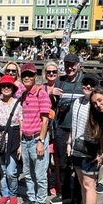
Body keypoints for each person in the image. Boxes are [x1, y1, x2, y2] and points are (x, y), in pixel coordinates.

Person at [15, 62, 51, 204]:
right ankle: (31, 198)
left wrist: (41, 141)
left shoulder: (41, 94)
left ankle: (41, 203)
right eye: (24, 75)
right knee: (28, 172)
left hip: (37, 137)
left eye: (30, 75)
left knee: (40, 173)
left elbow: (45, 121)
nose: (27, 78)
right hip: (25, 139)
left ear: (35, 76)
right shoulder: (23, 94)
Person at [66, 74, 101, 204]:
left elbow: (102, 129)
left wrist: (101, 151)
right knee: (81, 181)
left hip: (90, 147)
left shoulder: (96, 105)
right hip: (76, 146)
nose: (87, 87)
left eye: (91, 84)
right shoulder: (77, 102)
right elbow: (73, 125)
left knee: (89, 184)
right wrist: (69, 142)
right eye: (85, 83)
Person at [50, 53, 83, 204]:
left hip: (80, 129)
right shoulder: (60, 81)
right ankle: (64, 193)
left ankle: (77, 198)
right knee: (63, 164)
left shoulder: (85, 81)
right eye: (67, 64)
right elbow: (51, 106)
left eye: (73, 64)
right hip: (62, 127)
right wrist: (52, 95)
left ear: (78, 65)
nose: (70, 67)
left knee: (77, 164)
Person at [0, 75, 23, 204]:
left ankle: (13, 194)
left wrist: (21, 144)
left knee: (11, 171)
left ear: (13, 88)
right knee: (2, 170)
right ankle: (4, 194)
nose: (6, 88)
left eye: (8, 86)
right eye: (3, 86)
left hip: (13, 139)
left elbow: (21, 125)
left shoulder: (18, 104)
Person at [42, 61, 62, 196]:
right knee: (45, 159)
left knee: (57, 158)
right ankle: (47, 183)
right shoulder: (41, 88)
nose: (51, 74)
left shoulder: (61, 86)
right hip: (45, 126)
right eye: (48, 72)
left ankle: (58, 185)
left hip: (58, 125)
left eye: (54, 72)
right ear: (45, 73)